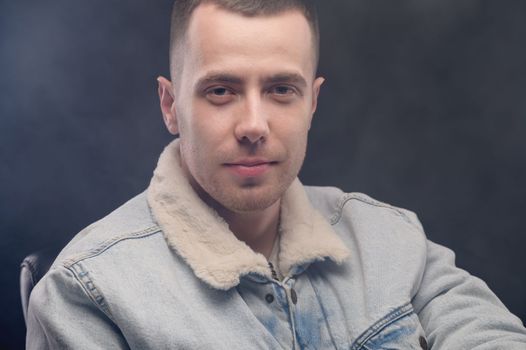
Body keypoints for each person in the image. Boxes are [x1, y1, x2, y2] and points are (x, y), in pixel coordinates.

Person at [26, 1, 526, 349]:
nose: (253, 126)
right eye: (220, 90)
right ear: (170, 106)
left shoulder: (390, 237)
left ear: (313, 102)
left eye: (281, 89)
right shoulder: (87, 293)